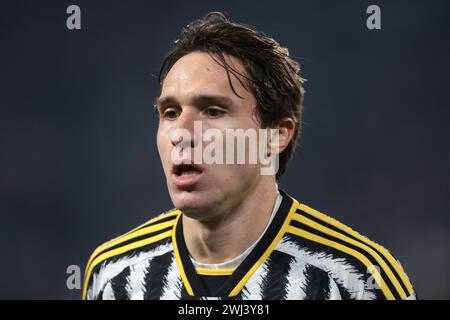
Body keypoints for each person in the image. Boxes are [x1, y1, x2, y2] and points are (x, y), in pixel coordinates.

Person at [83, 12, 416, 300]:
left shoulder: (357, 279)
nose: (181, 133)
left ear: (276, 135)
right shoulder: (112, 275)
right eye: (170, 113)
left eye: (213, 111)